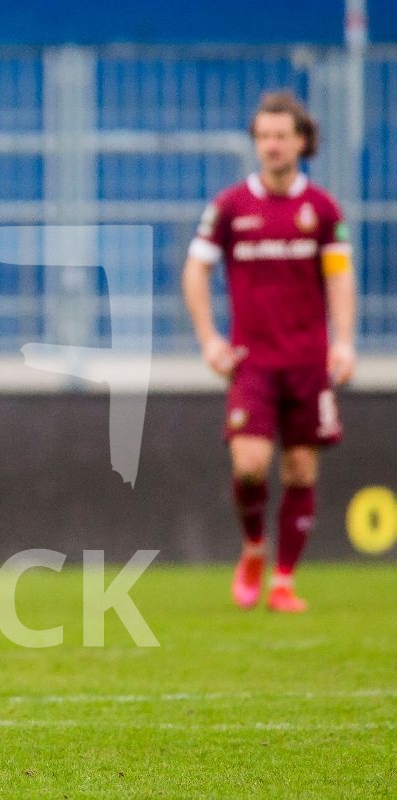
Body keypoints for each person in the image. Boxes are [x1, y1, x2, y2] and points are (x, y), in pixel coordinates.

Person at [183, 90, 356, 614]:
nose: (271, 146)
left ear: (301, 141)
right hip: (253, 361)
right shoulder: (231, 206)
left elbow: (339, 276)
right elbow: (196, 270)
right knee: (251, 465)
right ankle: (254, 547)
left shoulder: (322, 209)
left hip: (307, 361)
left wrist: (344, 341)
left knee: (300, 468)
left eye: (281, 136)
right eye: (263, 136)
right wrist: (209, 338)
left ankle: (283, 581)